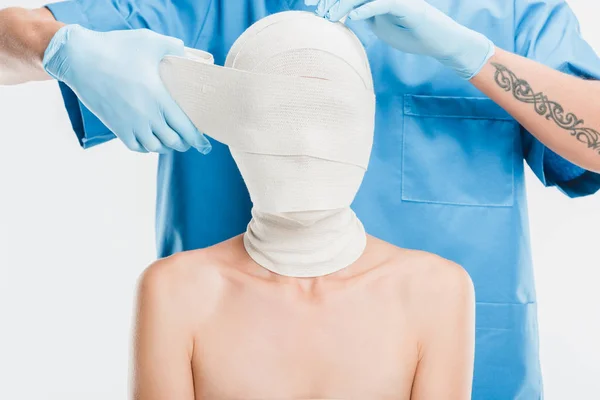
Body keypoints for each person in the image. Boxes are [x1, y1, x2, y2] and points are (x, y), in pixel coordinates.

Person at [1, 0, 599, 398]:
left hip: (475, 370)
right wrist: (62, 47)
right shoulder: (205, 6)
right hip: (230, 360)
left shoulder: (509, 10)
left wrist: (478, 59)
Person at [132, 13, 475, 400]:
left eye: (329, 113)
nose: (307, 144)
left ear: (367, 124)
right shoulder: (176, 291)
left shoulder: (435, 291)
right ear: (236, 126)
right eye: (279, 113)